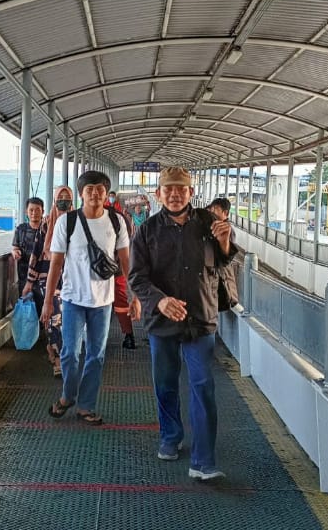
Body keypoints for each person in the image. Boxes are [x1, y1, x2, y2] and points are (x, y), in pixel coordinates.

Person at [130, 166, 238, 481]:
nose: (175, 194)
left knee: (203, 386)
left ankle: (204, 461)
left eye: (181, 189)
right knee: (165, 383)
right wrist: (160, 301)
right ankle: (170, 435)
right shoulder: (147, 231)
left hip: (200, 318)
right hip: (162, 320)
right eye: (169, 189)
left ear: (191, 192)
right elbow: (137, 277)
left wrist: (225, 243)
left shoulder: (208, 223)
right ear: (158, 194)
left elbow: (224, 261)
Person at [42, 171, 139, 425]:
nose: (95, 193)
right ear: (81, 194)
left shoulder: (116, 221)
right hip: (73, 299)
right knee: (70, 354)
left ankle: (85, 406)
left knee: (96, 356)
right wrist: (48, 301)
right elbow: (56, 263)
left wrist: (134, 295)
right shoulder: (67, 222)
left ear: (106, 194)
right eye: (89, 189)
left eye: (100, 189)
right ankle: (68, 396)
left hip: (103, 302)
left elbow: (126, 261)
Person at [22, 187, 73, 377]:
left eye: (67, 197)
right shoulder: (46, 225)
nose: (63, 200)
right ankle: (59, 361)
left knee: (65, 320)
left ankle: (53, 348)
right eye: (60, 197)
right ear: (54, 199)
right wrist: (30, 281)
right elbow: (36, 253)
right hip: (47, 278)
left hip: (70, 278)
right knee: (54, 317)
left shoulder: (77, 222)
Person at [104, 193, 136, 349]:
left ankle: (100, 338)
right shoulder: (121, 218)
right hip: (117, 269)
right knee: (121, 302)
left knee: (107, 304)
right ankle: (128, 335)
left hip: (106, 270)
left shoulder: (117, 218)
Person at [12, 197, 45, 319]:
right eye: (31, 210)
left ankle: (43, 330)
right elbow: (15, 247)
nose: (34, 213)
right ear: (26, 211)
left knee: (42, 309)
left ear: (43, 211)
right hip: (24, 276)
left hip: (42, 277)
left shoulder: (47, 230)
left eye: (37, 210)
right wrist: (15, 252)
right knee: (27, 310)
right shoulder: (21, 229)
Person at [206, 197, 240, 312]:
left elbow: (226, 257)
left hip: (220, 280)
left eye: (215, 209)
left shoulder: (228, 230)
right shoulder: (211, 226)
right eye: (211, 209)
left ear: (225, 213)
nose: (211, 212)